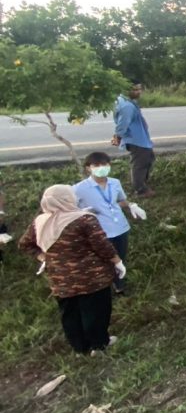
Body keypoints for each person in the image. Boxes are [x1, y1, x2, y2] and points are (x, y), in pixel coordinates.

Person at [18, 185, 124, 355]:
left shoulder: (40, 222)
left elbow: (25, 244)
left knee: (70, 313)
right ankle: (99, 344)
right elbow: (102, 245)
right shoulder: (84, 220)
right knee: (95, 311)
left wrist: (43, 257)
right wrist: (117, 261)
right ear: (66, 199)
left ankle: (80, 348)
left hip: (60, 280)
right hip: (91, 277)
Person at [73, 152, 146, 296]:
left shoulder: (115, 182)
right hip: (99, 231)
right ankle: (104, 288)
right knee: (103, 260)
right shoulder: (79, 188)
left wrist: (131, 205)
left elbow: (120, 200)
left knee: (120, 258)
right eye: (96, 165)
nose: (101, 167)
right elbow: (69, 208)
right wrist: (82, 212)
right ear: (88, 168)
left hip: (120, 228)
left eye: (104, 164)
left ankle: (120, 287)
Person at [112, 83, 155, 198]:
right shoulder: (127, 106)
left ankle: (142, 184)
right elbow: (123, 124)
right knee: (140, 164)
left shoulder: (126, 101)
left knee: (148, 159)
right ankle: (140, 190)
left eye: (139, 89)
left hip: (140, 138)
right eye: (135, 90)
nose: (138, 92)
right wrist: (117, 137)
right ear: (126, 90)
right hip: (136, 139)